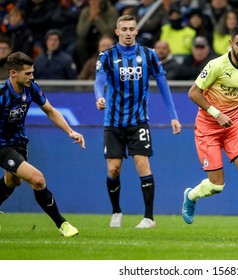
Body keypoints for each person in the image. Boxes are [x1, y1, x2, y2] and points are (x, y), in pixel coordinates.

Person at [181, 24, 238, 226]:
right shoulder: (217, 65)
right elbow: (193, 93)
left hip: (232, 127)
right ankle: (191, 196)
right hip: (208, 128)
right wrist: (216, 113)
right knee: (217, 185)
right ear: (231, 43)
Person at [94, 15, 181, 228]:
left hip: (138, 121)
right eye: (124, 29)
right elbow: (99, 82)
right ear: (117, 32)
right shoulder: (106, 56)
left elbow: (163, 85)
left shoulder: (149, 55)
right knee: (113, 169)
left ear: (136, 31)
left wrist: (173, 116)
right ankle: (116, 212)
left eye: (132, 29)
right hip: (113, 121)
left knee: (142, 164)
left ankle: (149, 218)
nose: (128, 33)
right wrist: (99, 96)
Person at [0, 51, 85, 237]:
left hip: (20, 142)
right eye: (28, 73)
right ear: (13, 73)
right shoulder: (2, 94)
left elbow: (50, 111)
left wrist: (70, 131)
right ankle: (63, 225)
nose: (32, 76)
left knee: (13, 181)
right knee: (37, 179)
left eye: (32, 72)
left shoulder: (31, 88)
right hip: (2, 145)